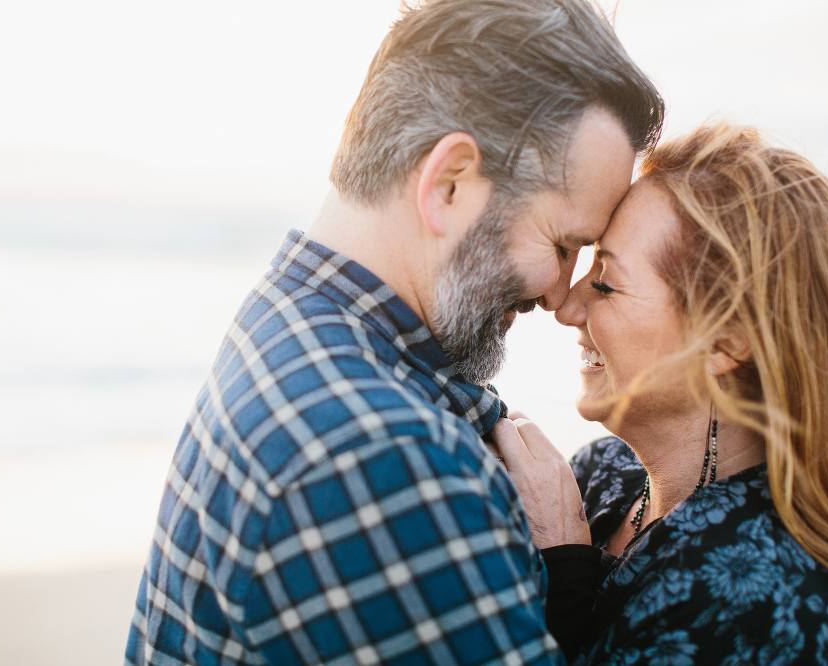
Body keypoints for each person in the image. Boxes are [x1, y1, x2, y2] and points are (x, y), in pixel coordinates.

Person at [124, 0, 664, 663]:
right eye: (562, 243)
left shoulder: (288, 321)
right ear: (449, 185)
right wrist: (564, 577)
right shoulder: (386, 457)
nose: (560, 294)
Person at [492, 124, 828, 664]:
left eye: (607, 284)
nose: (566, 308)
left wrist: (561, 568)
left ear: (727, 339)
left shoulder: (758, 596)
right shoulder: (600, 473)